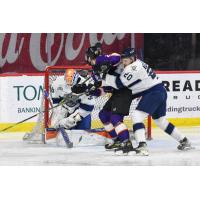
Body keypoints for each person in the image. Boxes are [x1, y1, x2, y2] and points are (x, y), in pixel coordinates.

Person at [103, 47, 192, 155]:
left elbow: (118, 84)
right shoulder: (137, 63)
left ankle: (142, 146)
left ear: (132, 58)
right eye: (123, 60)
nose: (123, 63)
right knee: (160, 121)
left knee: (136, 115)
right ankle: (184, 140)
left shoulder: (133, 68)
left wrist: (103, 75)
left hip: (153, 93)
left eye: (125, 60)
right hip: (160, 91)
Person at [85, 44, 134, 151]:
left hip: (124, 90)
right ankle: (117, 140)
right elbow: (104, 91)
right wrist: (90, 91)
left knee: (115, 118)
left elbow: (117, 57)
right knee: (103, 115)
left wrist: (106, 63)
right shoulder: (94, 72)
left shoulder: (101, 59)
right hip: (116, 93)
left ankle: (126, 143)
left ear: (89, 56)